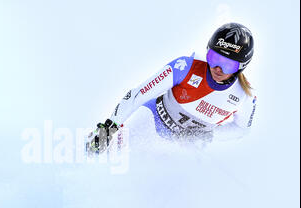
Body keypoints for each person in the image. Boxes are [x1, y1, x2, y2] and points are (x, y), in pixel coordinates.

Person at [86, 22, 257, 154]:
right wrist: (108, 128)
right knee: (112, 156)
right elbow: (137, 94)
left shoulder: (245, 96)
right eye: (213, 58)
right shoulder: (185, 66)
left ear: (242, 66)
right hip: (150, 123)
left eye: (228, 65)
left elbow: (242, 129)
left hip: (184, 150)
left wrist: (209, 136)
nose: (218, 68)